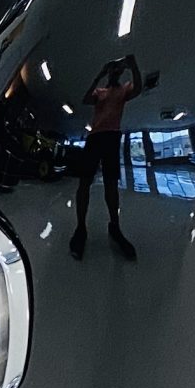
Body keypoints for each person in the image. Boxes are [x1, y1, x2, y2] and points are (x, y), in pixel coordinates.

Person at [71, 56, 152, 261]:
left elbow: (138, 88)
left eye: (118, 69)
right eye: (112, 69)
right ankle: (81, 228)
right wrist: (99, 74)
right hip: (95, 138)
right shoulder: (100, 92)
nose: (115, 71)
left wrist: (133, 65)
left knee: (111, 184)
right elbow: (85, 99)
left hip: (111, 138)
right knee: (84, 182)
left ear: (121, 72)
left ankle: (114, 227)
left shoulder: (124, 89)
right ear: (109, 72)